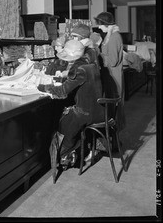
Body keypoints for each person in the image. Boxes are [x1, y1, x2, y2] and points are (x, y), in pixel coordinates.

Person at [38, 40, 104, 170]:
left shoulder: (78, 69)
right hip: (99, 110)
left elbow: (62, 92)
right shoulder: (90, 64)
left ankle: (63, 157)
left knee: (61, 124)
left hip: (85, 113)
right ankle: (75, 153)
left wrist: (41, 87)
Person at [94, 11, 126, 135]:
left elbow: (112, 61)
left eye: (100, 24)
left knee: (115, 106)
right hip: (111, 74)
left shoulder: (113, 37)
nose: (99, 27)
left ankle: (113, 138)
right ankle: (112, 138)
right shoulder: (111, 35)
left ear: (106, 24)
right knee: (113, 107)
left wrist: (99, 54)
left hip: (114, 75)